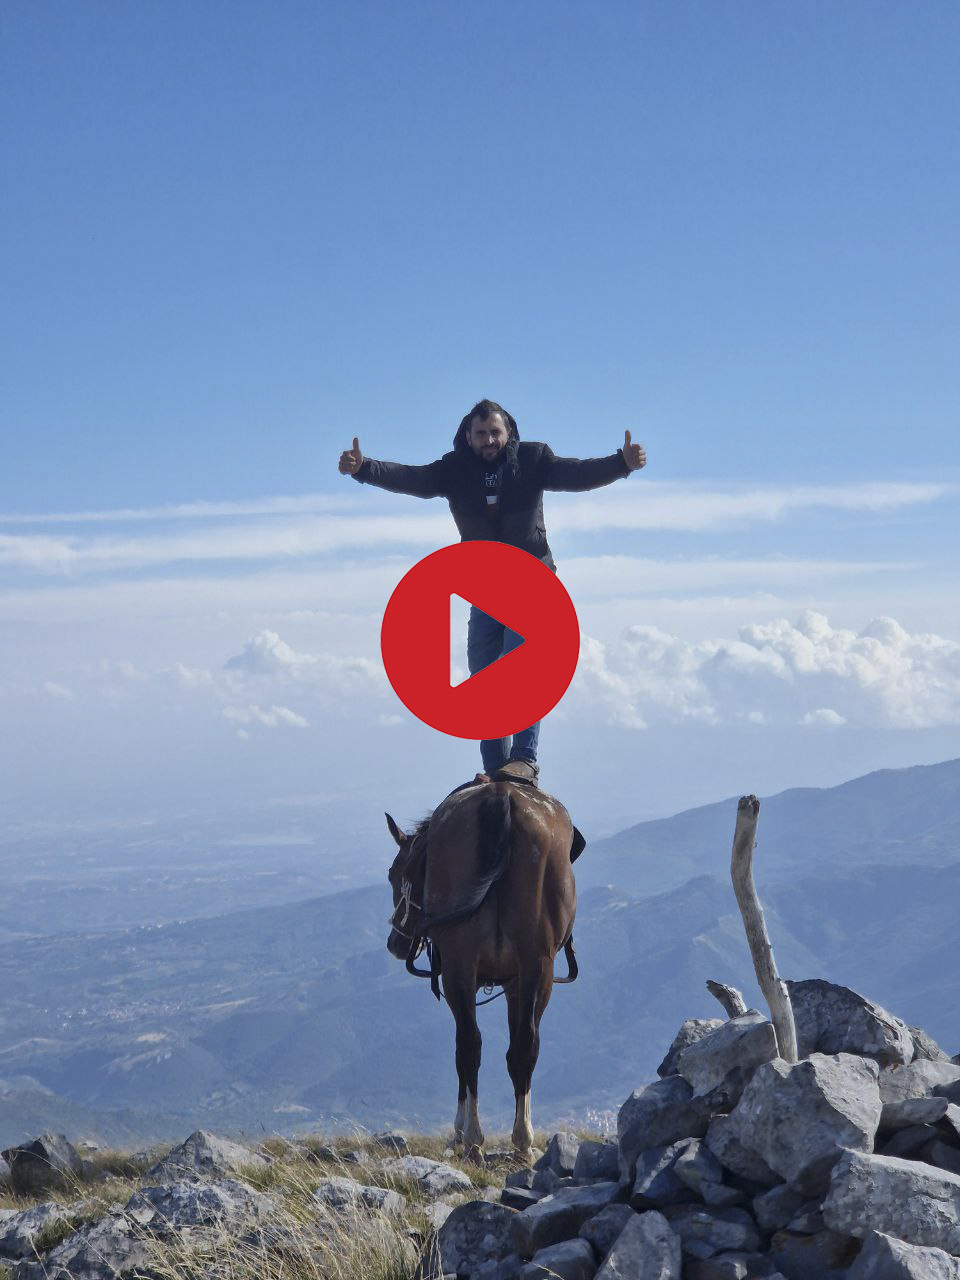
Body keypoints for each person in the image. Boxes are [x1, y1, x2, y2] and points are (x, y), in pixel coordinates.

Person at [339, 399, 646, 784]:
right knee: (482, 676)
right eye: (481, 434)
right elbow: (412, 478)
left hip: (532, 583)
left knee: (522, 668)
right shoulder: (454, 470)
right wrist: (364, 468)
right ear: (468, 436)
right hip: (484, 588)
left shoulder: (534, 460)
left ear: (508, 433)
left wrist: (622, 463)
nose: (489, 440)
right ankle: (495, 769)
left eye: (495, 433)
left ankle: (524, 760)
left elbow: (578, 474)